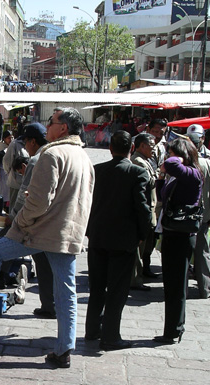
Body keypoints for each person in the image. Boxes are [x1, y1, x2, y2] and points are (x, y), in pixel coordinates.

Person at [0, 107, 95, 369]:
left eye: (51, 122)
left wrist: (21, 222)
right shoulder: (83, 157)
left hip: (41, 231)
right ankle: (64, 349)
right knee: (66, 291)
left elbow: (38, 202)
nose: (47, 126)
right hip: (67, 233)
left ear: (63, 128)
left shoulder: (52, 154)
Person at [85, 131, 152, 351]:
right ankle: (111, 336)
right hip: (123, 240)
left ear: (110, 148)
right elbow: (142, 207)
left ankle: (93, 330)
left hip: (98, 236)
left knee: (97, 287)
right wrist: (144, 233)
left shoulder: (98, 171)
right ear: (131, 148)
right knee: (117, 290)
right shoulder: (137, 173)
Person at [154, 137, 204, 344]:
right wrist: (161, 177)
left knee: (176, 285)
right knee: (171, 284)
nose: (168, 158)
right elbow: (163, 197)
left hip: (182, 235)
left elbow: (172, 165)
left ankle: (174, 330)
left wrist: (175, 159)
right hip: (171, 231)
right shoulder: (179, 176)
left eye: (172, 153)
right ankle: (173, 328)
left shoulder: (192, 174)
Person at [10, 123, 53, 319]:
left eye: (26, 142)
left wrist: (15, 217)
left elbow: (23, 195)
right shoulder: (55, 153)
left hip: (38, 224)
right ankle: (52, 304)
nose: (25, 147)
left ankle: (48, 306)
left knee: (43, 265)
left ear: (33, 141)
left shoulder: (36, 160)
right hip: (54, 221)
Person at [186, 128, 210, 299]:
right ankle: (205, 288)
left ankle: (180, 287)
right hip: (204, 216)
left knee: (182, 253)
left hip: (182, 218)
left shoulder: (180, 165)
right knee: (203, 253)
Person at [130, 133, 159, 288]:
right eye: (151, 146)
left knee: (146, 247)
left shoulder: (145, 161)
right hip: (144, 211)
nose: (153, 149)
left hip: (150, 210)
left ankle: (141, 274)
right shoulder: (138, 162)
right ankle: (135, 279)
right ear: (142, 146)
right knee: (139, 250)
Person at [2, 127, 29, 209]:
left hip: (28, 183)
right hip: (16, 182)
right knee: (14, 207)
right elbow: (6, 162)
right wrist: (12, 173)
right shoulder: (15, 144)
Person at [0, 130, 12, 201]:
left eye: (12, 138)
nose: (11, 140)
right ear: (4, 139)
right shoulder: (1, 148)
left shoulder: (10, 147)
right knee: (2, 191)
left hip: (8, 173)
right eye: (9, 138)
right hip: (2, 173)